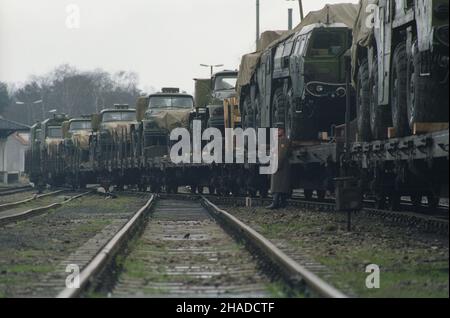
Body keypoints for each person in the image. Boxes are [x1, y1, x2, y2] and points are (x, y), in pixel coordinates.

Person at [267, 123, 291, 210]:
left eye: (278, 130)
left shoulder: (284, 140)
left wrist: (277, 165)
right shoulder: (278, 140)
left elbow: (282, 154)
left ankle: (275, 202)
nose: (277, 131)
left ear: (282, 130)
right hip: (277, 164)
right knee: (279, 185)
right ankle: (281, 203)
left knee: (278, 185)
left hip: (280, 166)